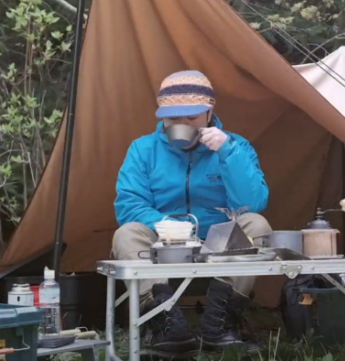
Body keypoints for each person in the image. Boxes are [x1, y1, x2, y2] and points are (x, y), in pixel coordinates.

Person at [112, 70, 271, 357]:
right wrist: (168, 226)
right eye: (173, 119)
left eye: (192, 118)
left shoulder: (236, 146)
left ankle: (220, 327)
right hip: (163, 243)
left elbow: (252, 204)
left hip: (219, 244)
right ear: (162, 117)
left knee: (256, 224)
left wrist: (227, 153)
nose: (182, 124)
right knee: (126, 233)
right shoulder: (143, 149)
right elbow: (129, 204)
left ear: (209, 113)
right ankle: (165, 325)